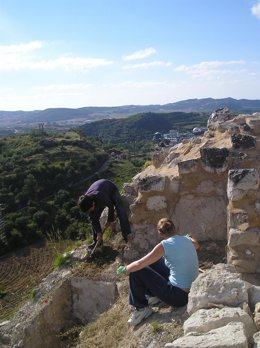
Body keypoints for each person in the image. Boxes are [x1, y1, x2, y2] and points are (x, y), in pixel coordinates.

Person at [116, 218, 200, 326]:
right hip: (192, 287)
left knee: (136, 271)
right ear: (175, 228)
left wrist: (125, 269)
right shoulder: (187, 239)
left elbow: (139, 264)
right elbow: (197, 245)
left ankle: (141, 309)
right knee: (154, 262)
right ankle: (153, 296)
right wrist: (187, 238)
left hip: (178, 297)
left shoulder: (164, 245)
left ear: (160, 233)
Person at [78, 179, 132, 248]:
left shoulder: (100, 197)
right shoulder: (86, 202)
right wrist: (98, 233)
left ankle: (127, 235)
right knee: (93, 218)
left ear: (93, 204)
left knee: (120, 209)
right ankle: (97, 242)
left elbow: (111, 206)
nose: (90, 211)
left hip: (111, 189)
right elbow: (93, 220)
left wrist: (109, 220)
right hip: (100, 193)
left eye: (90, 209)